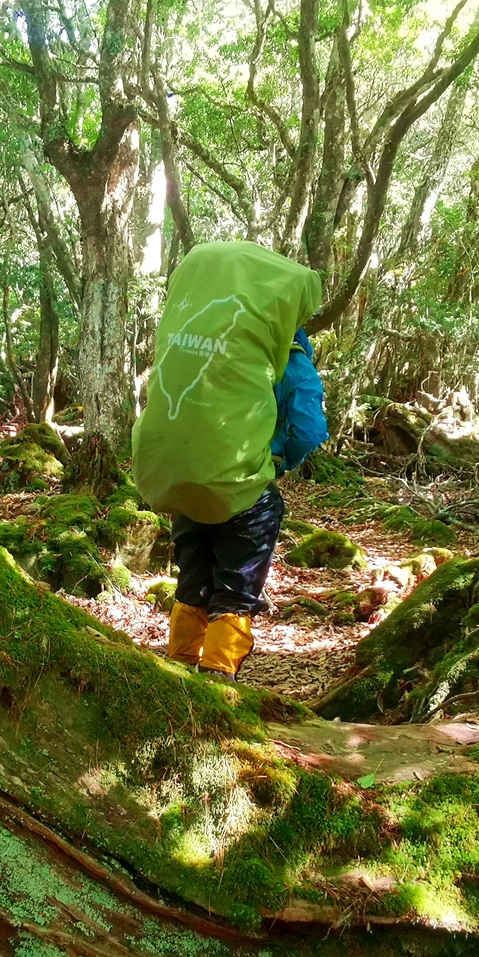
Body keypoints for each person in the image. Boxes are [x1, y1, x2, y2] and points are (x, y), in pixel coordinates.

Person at [131, 242, 329, 681]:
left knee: (193, 576)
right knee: (237, 580)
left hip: (179, 482)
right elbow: (309, 427)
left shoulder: (202, 338)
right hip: (240, 489)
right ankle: (219, 673)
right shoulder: (287, 357)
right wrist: (276, 462)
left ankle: (179, 663)